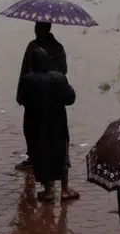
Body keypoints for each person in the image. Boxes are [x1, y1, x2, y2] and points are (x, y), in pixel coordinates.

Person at [15, 46, 79, 203]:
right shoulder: (59, 78)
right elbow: (70, 99)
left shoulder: (27, 80)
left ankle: (49, 190)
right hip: (57, 123)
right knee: (62, 155)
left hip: (35, 125)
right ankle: (65, 189)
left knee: (41, 155)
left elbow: (21, 100)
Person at [17, 22, 67, 171]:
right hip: (32, 95)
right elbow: (24, 69)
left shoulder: (57, 48)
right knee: (30, 127)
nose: (37, 30)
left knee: (52, 130)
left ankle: (53, 159)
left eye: (40, 28)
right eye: (36, 27)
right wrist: (20, 93)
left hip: (51, 95)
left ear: (48, 29)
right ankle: (32, 156)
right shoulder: (32, 46)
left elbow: (63, 70)